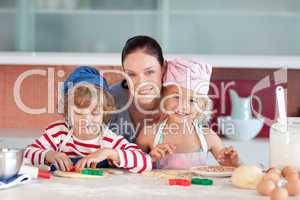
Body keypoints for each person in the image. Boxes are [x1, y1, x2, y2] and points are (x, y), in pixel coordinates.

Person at [24, 66, 152, 173]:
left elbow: (146, 162)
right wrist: (48, 155)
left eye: (95, 112)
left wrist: (108, 153)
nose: (86, 120)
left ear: (105, 112)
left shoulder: (108, 139)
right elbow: (26, 155)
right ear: (68, 112)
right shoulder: (57, 133)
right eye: (79, 113)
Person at [136, 58, 240, 169]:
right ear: (163, 96)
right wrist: (149, 158)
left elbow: (232, 169)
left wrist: (234, 163)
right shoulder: (148, 135)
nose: (182, 106)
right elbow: (133, 167)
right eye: (176, 97)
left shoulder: (208, 137)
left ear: (202, 105)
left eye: (192, 101)